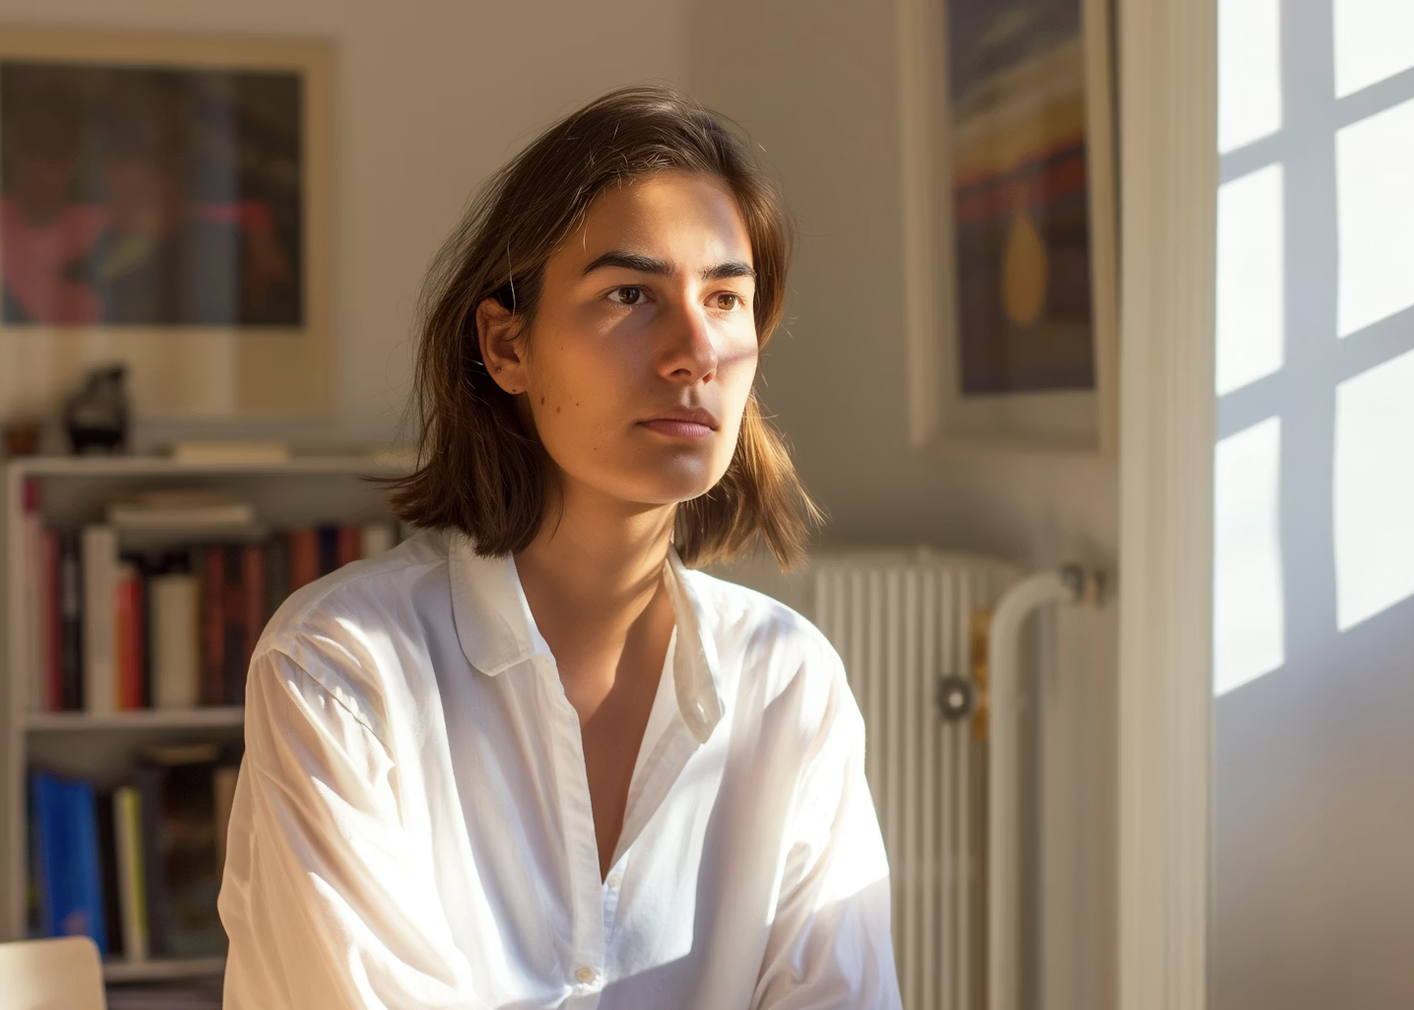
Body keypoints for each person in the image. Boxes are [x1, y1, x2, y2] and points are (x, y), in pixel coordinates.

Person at [218, 86, 901, 1009]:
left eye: (726, 297)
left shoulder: (789, 682)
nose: (696, 350)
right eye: (630, 293)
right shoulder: (340, 667)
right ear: (506, 346)